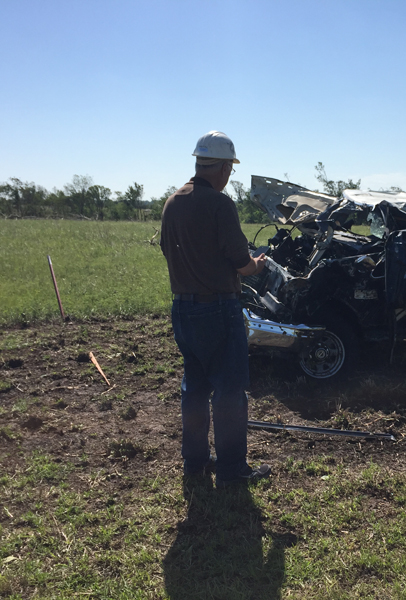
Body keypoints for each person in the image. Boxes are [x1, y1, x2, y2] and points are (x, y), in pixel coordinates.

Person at [161, 131, 270, 487]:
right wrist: (259, 264)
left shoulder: (173, 202)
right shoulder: (220, 205)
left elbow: (168, 250)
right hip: (218, 310)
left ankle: (194, 461)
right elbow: (241, 264)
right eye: (230, 169)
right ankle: (232, 469)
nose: (228, 176)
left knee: (194, 386)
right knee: (229, 391)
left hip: (183, 309)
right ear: (223, 167)